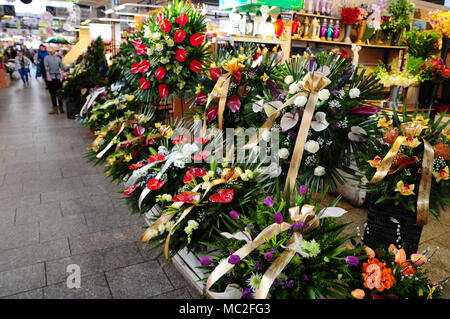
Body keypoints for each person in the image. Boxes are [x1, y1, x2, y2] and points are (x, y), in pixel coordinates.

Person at [44, 46, 65, 114]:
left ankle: (55, 109)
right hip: (58, 78)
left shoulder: (46, 58)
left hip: (51, 77)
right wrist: (61, 76)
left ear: (49, 51)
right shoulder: (58, 58)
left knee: (52, 94)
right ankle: (61, 108)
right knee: (59, 93)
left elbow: (46, 67)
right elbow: (62, 67)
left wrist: (48, 75)